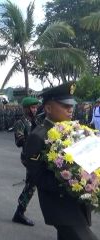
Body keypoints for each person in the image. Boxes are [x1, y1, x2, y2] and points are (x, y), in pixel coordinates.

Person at [24, 82, 98, 240]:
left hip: (76, 203)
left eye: (71, 105)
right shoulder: (39, 136)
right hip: (60, 205)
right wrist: (71, 183)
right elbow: (37, 175)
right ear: (48, 109)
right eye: (65, 106)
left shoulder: (73, 130)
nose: (70, 109)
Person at [12, 97, 39, 226]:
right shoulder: (21, 123)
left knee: (32, 184)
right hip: (28, 157)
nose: (35, 110)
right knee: (31, 184)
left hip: (38, 156)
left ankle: (19, 212)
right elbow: (19, 141)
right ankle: (19, 212)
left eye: (35, 107)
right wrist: (33, 141)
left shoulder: (37, 121)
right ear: (26, 109)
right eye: (32, 108)